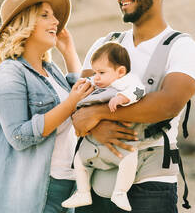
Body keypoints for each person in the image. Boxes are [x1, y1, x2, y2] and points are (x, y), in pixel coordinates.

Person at [72, 0, 195, 213]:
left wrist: (98, 113)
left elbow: (167, 104)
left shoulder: (183, 47)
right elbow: (77, 100)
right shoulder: (104, 44)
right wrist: (93, 127)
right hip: (98, 176)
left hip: (150, 183)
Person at [0, 0, 94, 213]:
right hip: (35, 194)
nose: (55, 22)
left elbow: (84, 102)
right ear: (24, 24)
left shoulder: (51, 71)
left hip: (68, 189)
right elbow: (18, 136)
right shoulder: (9, 72)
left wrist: (69, 52)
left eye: (54, 16)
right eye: (45, 15)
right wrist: (70, 103)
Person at [62, 42, 147, 211]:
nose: (97, 77)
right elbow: (85, 85)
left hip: (118, 145)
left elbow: (139, 90)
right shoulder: (97, 83)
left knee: (130, 158)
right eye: (95, 72)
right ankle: (83, 192)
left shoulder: (127, 82)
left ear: (120, 72)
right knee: (79, 160)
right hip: (92, 143)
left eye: (101, 72)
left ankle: (120, 192)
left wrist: (122, 98)